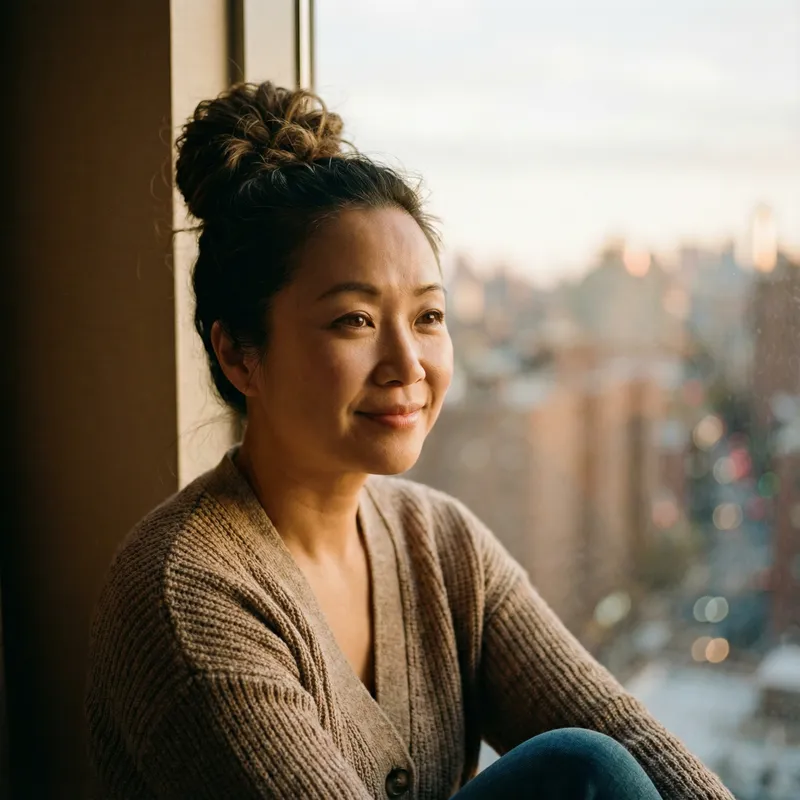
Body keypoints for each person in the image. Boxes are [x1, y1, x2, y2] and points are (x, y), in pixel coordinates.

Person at [85, 81, 733, 800]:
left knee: (595, 762)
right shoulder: (188, 595)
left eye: (428, 317)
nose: (408, 365)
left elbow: (627, 732)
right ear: (240, 354)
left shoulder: (440, 543)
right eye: (354, 321)